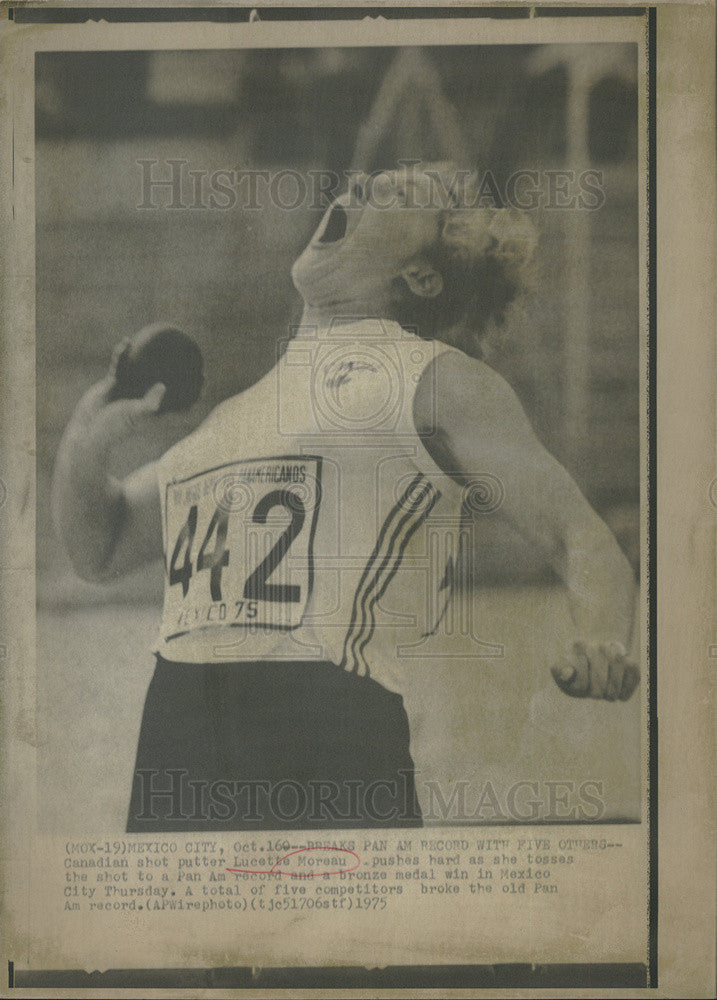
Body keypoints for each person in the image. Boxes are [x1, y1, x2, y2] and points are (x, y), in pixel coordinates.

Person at [52, 165, 639, 832]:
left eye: (398, 195)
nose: (358, 184)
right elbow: (97, 547)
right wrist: (83, 444)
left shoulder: (434, 379)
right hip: (176, 732)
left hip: (322, 723)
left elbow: (581, 536)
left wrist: (602, 639)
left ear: (420, 277)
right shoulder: (231, 420)